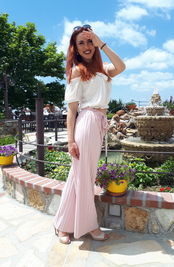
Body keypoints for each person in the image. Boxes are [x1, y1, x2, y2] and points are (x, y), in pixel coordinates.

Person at [53, 24, 125, 244]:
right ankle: (90, 226)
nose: (86, 46)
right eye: (81, 42)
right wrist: (71, 141)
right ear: (75, 48)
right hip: (86, 122)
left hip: (99, 123)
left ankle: (63, 225)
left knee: (79, 176)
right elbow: (72, 111)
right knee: (83, 178)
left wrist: (101, 42)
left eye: (89, 41)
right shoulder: (76, 72)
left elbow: (121, 66)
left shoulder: (104, 71)